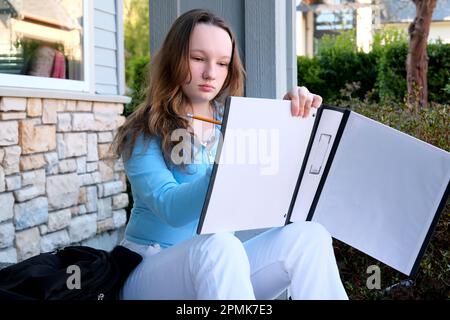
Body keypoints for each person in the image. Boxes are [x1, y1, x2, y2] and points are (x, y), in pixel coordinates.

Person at [112, 9, 348, 300]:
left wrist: (290, 120)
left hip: (219, 264)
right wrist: (228, 168)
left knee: (310, 237)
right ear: (174, 59)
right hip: (148, 269)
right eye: (198, 59)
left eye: (222, 63)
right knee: (220, 244)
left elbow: (272, 168)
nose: (211, 73)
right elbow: (169, 207)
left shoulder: (236, 122)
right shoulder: (143, 131)